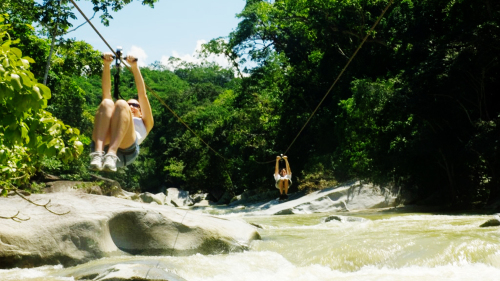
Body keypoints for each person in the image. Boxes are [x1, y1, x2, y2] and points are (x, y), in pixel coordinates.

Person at [89, 53, 154, 172]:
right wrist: (106, 65)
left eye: (135, 105)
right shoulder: (119, 112)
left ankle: (112, 155)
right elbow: (106, 92)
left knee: (120, 103)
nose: (131, 107)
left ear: (141, 112)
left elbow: (142, 95)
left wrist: (134, 66)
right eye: (130, 105)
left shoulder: (145, 123)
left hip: (126, 151)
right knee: (107, 103)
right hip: (104, 145)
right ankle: (97, 154)